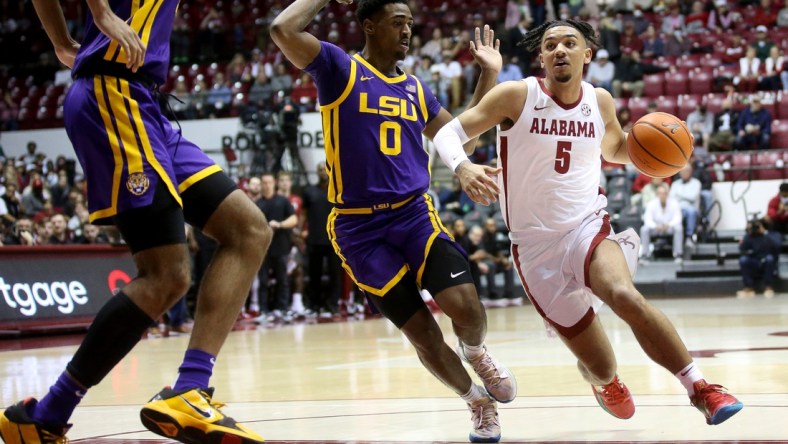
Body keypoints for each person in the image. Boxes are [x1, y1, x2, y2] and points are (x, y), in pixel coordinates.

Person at [431, 19, 743, 426]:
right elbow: (447, 135)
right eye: (550, 45)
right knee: (600, 364)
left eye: (569, 43)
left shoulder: (600, 101)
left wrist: (658, 149)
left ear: (587, 54)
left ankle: (702, 389)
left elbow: (614, 148)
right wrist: (463, 167)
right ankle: (604, 381)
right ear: (541, 57)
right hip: (536, 249)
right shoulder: (517, 95)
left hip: (586, 225)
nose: (560, 49)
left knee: (624, 294)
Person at [3, 2, 273, 443]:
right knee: (166, 275)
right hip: (113, 94)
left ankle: (188, 390)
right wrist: (101, 16)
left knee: (248, 230)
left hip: (146, 105)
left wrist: (62, 40)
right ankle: (47, 414)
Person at [270, 1, 516, 442]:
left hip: (413, 214)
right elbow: (282, 28)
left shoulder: (417, 90)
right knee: (422, 332)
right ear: (369, 26)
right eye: (397, 23)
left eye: (410, 24)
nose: (407, 31)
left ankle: (476, 351)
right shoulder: (339, 69)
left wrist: (488, 75)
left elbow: (466, 141)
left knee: (465, 306)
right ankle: (476, 402)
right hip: (357, 229)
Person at [255, 172, 297, 323]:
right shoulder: (257, 204)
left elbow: (294, 219)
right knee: (263, 280)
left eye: (269, 182)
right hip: (263, 249)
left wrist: (279, 225)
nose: (267, 185)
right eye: (264, 183)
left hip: (281, 247)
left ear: (274, 184)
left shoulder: (283, 201)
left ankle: (283, 309)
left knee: (282, 279)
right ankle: (264, 310)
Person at [301, 162, 343, 317]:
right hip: (314, 239)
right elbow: (303, 214)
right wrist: (300, 231)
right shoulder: (309, 192)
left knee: (335, 274)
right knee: (314, 274)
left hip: (335, 240)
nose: (322, 172)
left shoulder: (338, 189)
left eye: (323, 169)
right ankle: (314, 305)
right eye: (318, 170)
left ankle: (333, 305)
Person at [737, 218, 780, 299]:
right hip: (754, 261)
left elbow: (776, 246)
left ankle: (768, 287)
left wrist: (765, 233)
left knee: (769, 258)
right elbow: (742, 248)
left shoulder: (772, 234)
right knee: (743, 260)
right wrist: (748, 233)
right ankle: (748, 287)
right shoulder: (749, 236)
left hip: (766, 260)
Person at [642, 183, 684, 261]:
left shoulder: (674, 203)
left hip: (669, 227)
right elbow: (647, 219)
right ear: (657, 194)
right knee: (644, 229)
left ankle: (678, 254)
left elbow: (678, 218)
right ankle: (645, 254)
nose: (662, 196)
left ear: (667, 194)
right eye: (660, 193)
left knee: (678, 228)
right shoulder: (651, 204)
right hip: (656, 228)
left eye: (664, 193)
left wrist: (668, 225)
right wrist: (655, 226)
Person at [669, 164, 702, 247]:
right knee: (672, 212)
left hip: (691, 207)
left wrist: (679, 195)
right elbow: (671, 198)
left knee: (690, 212)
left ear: (690, 172)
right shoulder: (675, 183)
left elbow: (693, 197)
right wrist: (684, 196)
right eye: (682, 172)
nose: (683, 173)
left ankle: (689, 237)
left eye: (685, 171)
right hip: (677, 208)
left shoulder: (696, 183)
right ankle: (672, 238)